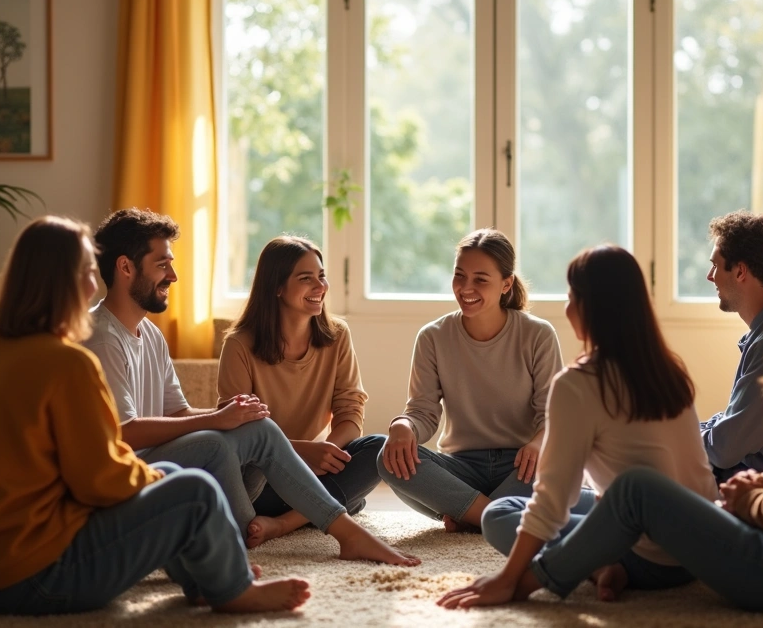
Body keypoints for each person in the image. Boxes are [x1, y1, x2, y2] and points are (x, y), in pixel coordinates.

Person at [438, 227, 763, 612]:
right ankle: (596, 565)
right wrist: (762, 486)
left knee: (632, 490)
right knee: (571, 501)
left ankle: (530, 582)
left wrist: (747, 500)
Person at [0, 216, 310, 615]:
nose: (92, 283)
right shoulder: (68, 362)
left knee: (173, 481)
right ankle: (234, 591)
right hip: (36, 578)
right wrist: (161, 478)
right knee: (195, 490)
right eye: (85, 271)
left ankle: (207, 580)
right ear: (65, 283)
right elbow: (101, 481)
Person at [86, 210, 417, 565]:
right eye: (162, 264)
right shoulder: (103, 338)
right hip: (127, 473)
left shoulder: (149, 334)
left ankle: (331, 530)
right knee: (219, 442)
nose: (173, 275)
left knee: (259, 428)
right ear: (125, 268)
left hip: (172, 461)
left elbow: (178, 413)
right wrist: (220, 420)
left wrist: (232, 417)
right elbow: (122, 433)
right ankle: (247, 537)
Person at [473, 245, 717, 602]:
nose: (567, 307)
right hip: (700, 547)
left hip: (650, 558)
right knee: (590, 498)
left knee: (499, 514)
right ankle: (605, 567)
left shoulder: (579, 383)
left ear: (593, 307)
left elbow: (553, 501)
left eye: (572, 296)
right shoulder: (667, 369)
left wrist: (508, 579)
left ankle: (603, 564)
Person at [376, 229, 563, 532]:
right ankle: (494, 515)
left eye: (480, 279)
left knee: (557, 464)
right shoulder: (433, 337)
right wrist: (403, 426)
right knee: (387, 457)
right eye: (459, 276)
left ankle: (467, 513)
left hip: (522, 465)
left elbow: (553, 416)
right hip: (462, 467)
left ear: (506, 284)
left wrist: (539, 445)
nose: (466, 287)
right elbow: (423, 413)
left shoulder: (538, 334)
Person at [218, 235, 393, 546]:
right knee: (347, 495)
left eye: (321, 276)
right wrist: (301, 453)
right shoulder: (239, 345)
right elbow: (239, 431)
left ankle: (283, 525)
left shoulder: (337, 335)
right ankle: (333, 506)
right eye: (306, 278)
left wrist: (328, 453)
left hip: (314, 471)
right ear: (277, 287)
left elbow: (351, 410)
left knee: (379, 449)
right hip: (261, 481)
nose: (320, 286)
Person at [700, 211, 763, 482]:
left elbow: (724, 449)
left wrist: (676, 440)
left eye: (715, 265)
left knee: (635, 482)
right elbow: (731, 425)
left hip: (745, 491)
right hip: (739, 481)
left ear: (740, 271)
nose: (709, 276)